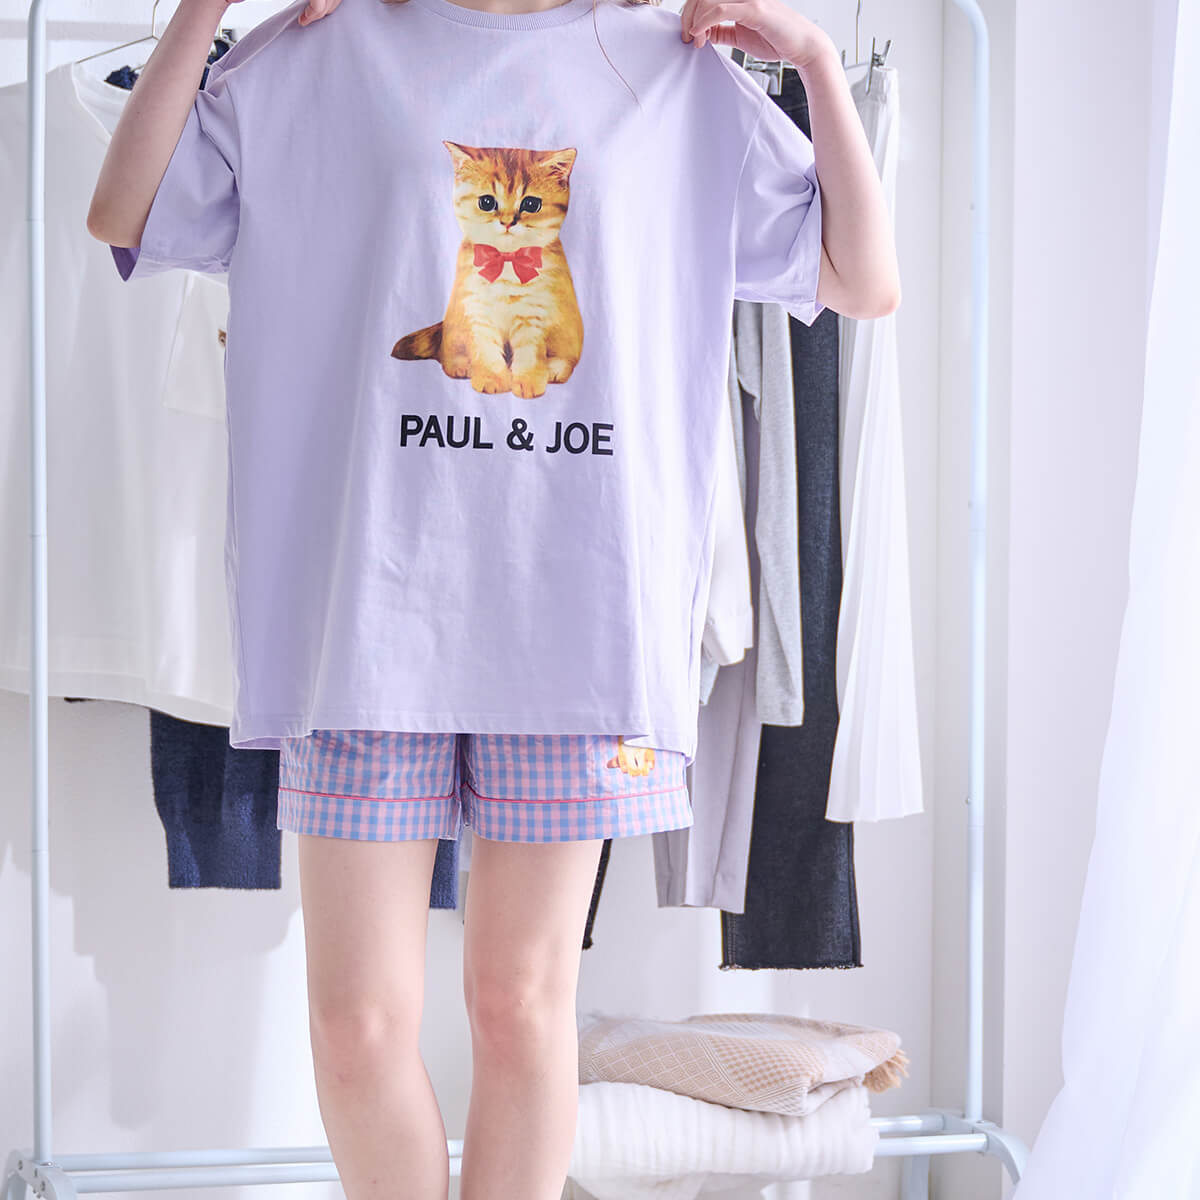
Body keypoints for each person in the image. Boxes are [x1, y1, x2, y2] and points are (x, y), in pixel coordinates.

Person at [86, 0, 898, 1192]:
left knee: (520, 1003)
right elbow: (125, 211)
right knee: (356, 1024)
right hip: (363, 618)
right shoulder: (323, 47)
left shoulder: (662, 68)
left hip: (581, 624)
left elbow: (860, 278)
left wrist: (819, 61)